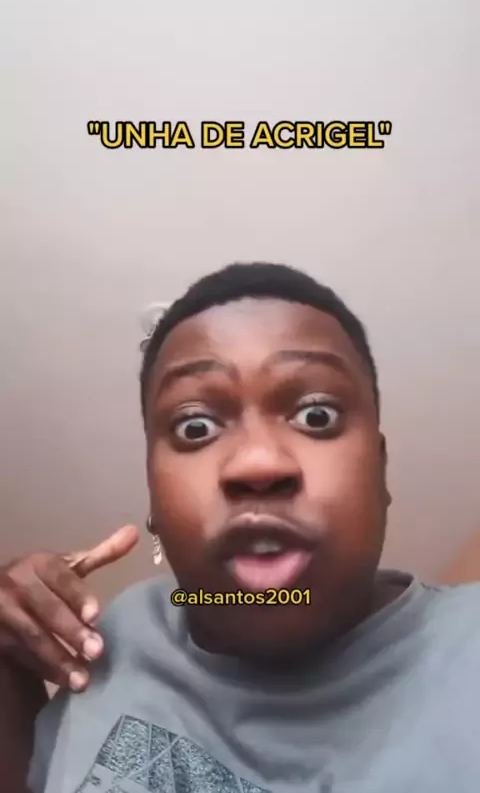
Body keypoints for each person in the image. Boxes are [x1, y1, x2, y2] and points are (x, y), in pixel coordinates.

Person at [1, 262, 479, 793]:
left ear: (380, 469)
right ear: (153, 494)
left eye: (316, 416)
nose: (256, 463)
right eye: (195, 426)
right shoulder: (113, 638)